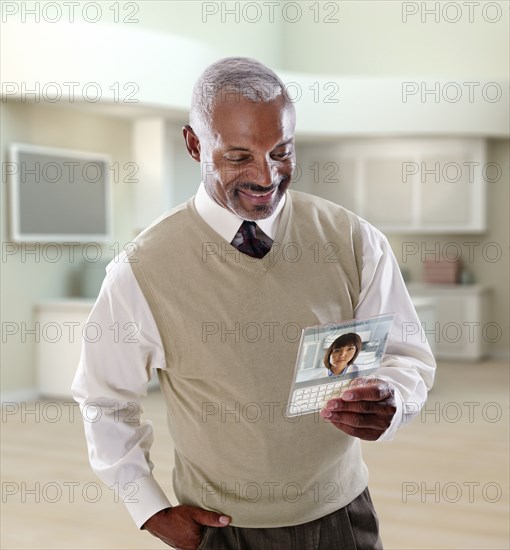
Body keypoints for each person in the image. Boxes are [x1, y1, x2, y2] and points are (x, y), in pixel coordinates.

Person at [72, 56, 436, 550]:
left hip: (342, 517)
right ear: (195, 144)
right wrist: (150, 508)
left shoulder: (355, 241)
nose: (266, 177)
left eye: (281, 152)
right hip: (223, 530)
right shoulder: (140, 272)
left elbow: (405, 354)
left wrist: (393, 400)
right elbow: (104, 400)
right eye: (240, 156)